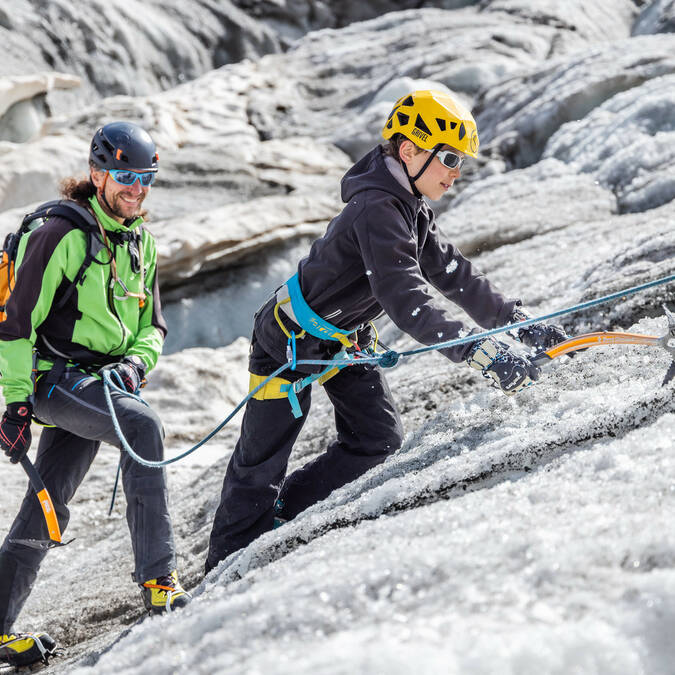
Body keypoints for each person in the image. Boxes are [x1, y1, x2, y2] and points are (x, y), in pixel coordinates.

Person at [205, 90, 567, 574]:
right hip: (287, 342)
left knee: (377, 440)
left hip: (343, 339)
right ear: (411, 151)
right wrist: (477, 350)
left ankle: (283, 520)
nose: (456, 172)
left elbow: (454, 274)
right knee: (261, 464)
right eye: (451, 159)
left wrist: (516, 322)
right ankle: (224, 565)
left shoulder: (409, 205)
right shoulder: (377, 207)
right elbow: (406, 299)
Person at [0, 122, 189, 668]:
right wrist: (16, 403)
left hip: (101, 382)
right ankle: (159, 579)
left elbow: (153, 327)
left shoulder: (141, 242)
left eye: (146, 178)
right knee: (142, 426)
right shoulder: (60, 234)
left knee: (46, 505)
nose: (136, 189)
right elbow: (15, 325)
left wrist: (136, 362)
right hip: (53, 380)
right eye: (126, 177)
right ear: (98, 174)